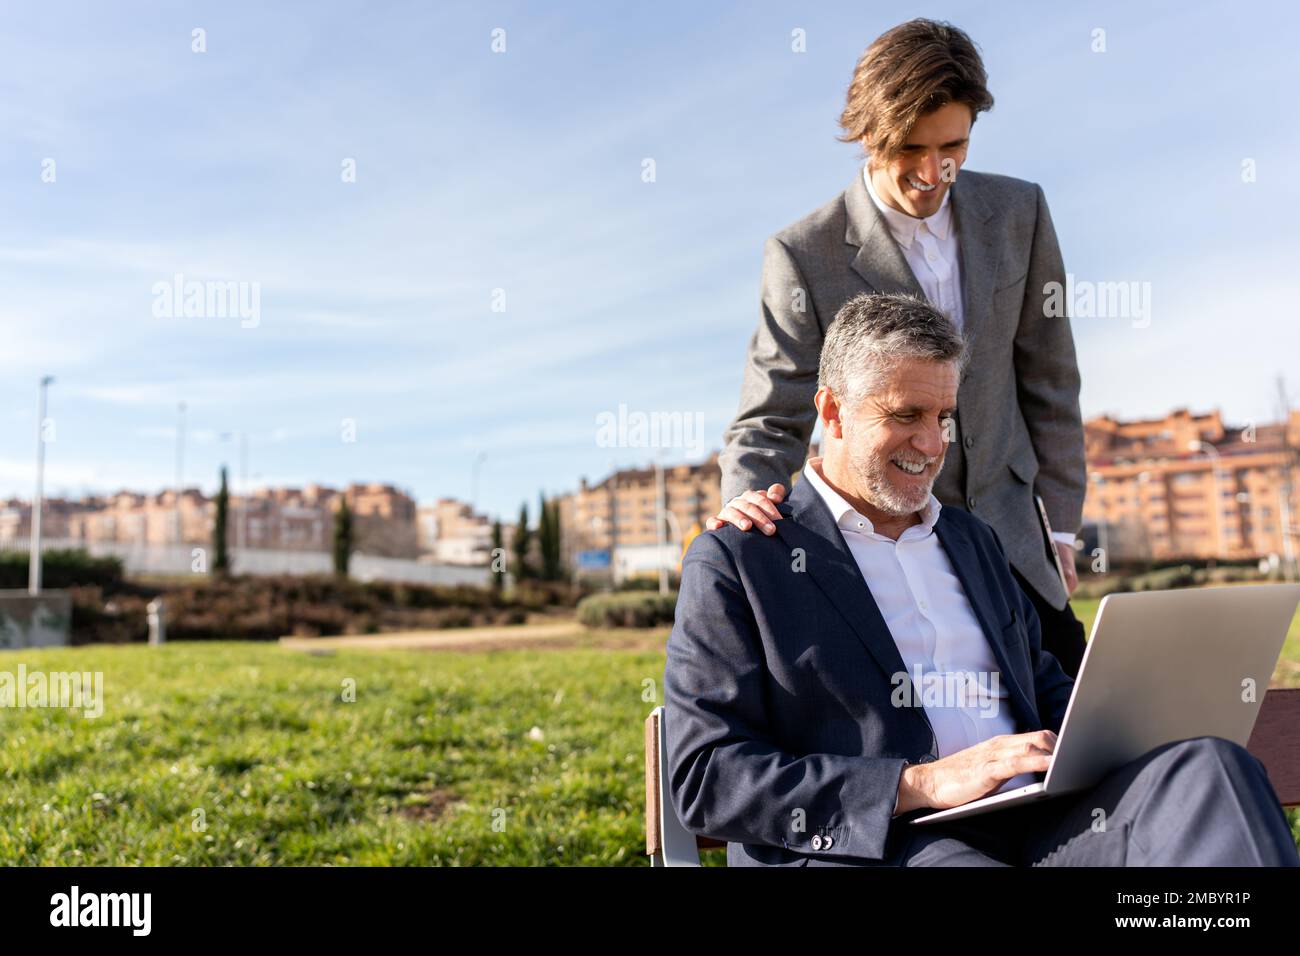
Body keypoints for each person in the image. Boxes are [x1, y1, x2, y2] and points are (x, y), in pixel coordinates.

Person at [665, 292, 1299, 866]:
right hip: (886, 846)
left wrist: (1117, 726)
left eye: (942, 416)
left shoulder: (973, 541)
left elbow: (1047, 689)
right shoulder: (743, 558)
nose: (932, 442)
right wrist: (924, 785)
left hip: (1042, 824)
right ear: (832, 412)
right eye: (906, 414)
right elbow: (707, 776)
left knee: (1209, 769)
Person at [713, 18, 1087, 677]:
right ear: (867, 134)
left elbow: (1051, 380)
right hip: (888, 554)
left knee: (1082, 732)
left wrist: (1059, 524)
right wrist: (748, 514)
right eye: (909, 148)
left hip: (1017, 544)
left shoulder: (1021, 212)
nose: (930, 171)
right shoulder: (804, 255)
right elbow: (772, 417)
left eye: (953, 146)